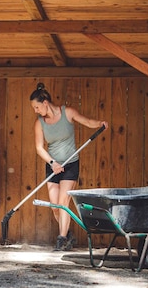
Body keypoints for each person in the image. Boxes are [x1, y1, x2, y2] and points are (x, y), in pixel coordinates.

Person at [29, 83, 108, 251]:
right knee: (55, 206)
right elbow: (39, 148)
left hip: (70, 164)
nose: (35, 111)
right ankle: (68, 235)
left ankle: (62, 238)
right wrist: (53, 163)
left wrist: (99, 123)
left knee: (63, 202)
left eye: (36, 107)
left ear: (45, 103)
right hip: (53, 166)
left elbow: (87, 121)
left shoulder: (68, 113)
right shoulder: (39, 124)